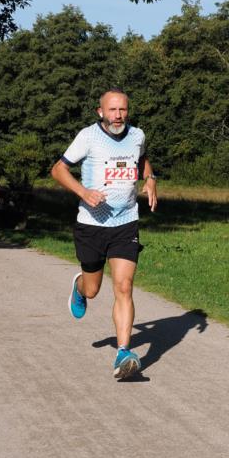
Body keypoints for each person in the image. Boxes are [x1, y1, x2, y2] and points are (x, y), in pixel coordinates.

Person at [51, 89, 158, 380]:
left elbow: (141, 159)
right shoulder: (88, 137)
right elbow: (58, 170)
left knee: (124, 286)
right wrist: (83, 192)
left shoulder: (137, 135)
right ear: (101, 112)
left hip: (126, 223)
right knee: (93, 290)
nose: (118, 116)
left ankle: (124, 352)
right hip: (91, 225)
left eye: (123, 110)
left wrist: (150, 179)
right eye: (112, 110)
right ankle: (80, 288)